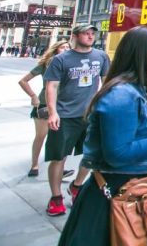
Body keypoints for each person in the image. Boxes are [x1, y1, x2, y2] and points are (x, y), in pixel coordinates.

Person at [58, 26, 147, 246]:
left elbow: (139, 133)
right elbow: (118, 153)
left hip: (133, 194)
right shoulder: (122, 94)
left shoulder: (140, 89)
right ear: (144, 54)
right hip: (113, 200)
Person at [44, 24, 110, 217]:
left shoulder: (101, 57)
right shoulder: (60, 59)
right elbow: (52, 87)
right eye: (86, 33)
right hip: (65, 116)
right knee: (59, 157)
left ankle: (77, 185)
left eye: (92, 34)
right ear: (75, 36)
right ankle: (56, 198)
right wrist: (53, 112)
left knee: (92, 155)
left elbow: (107, 82)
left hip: (89, 115)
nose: (90, 36)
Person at [17, 41, 72, 178]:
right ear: (56, 49)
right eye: (62, 47)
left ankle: (59, 168)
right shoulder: (46, 64)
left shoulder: (72, 64)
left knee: (60, 140)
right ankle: (34, 164)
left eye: (68, 47)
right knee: (41, 136)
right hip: (44, 104)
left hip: (63, 106)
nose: (65, 49)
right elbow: (23, 81)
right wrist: (33, 96)